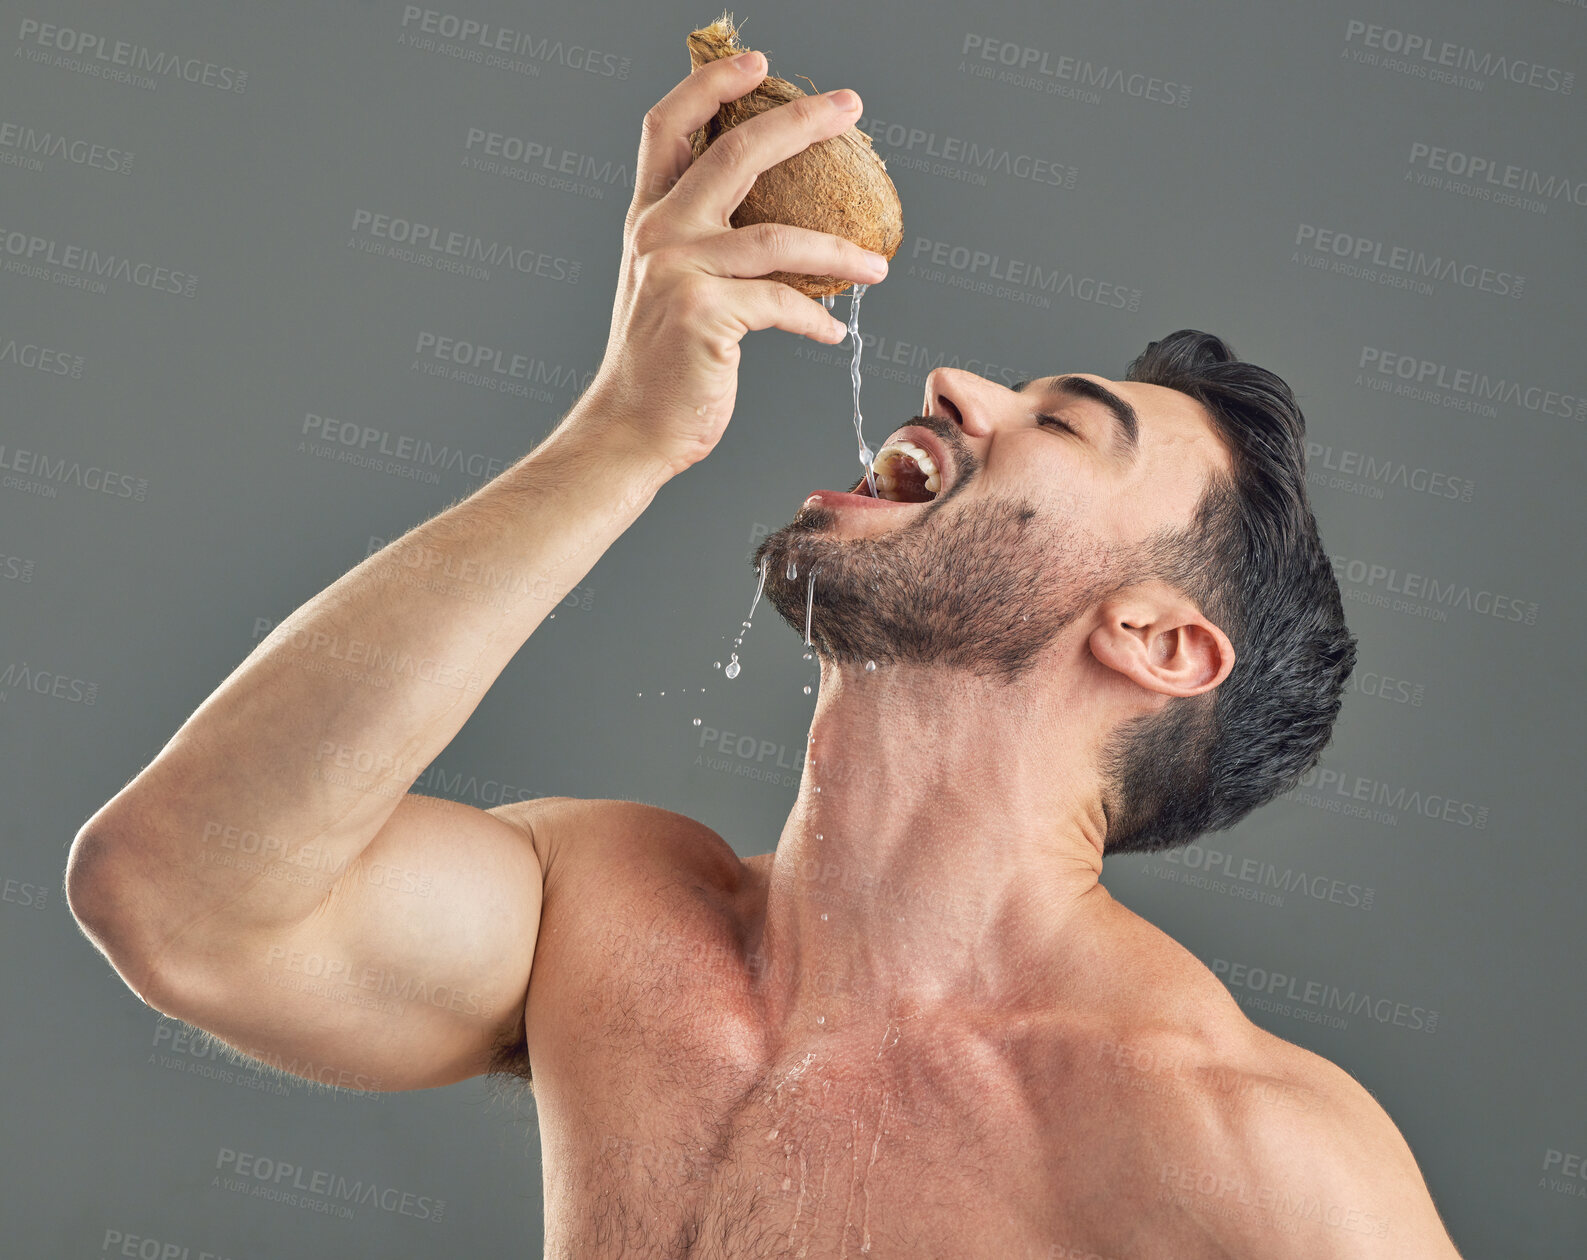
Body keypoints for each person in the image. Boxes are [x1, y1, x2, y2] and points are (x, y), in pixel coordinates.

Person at [66, 51, 1464, 1258]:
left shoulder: (1240, 1145)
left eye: (1066, 422)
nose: (956, 388)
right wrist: (621, 435)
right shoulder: (604, 918)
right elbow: (176, 893)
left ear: (1157, 640)